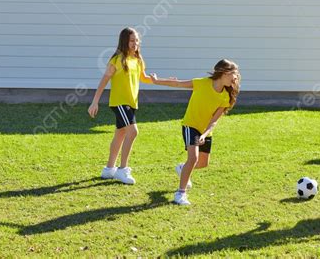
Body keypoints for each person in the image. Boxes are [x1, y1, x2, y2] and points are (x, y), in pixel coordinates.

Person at [151, 59, 240, 205]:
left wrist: (204, 135)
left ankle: (182, 168)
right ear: (224, 73)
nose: (236, 78)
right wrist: (156, 81)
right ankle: (180, 194)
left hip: (205, 131)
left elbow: (214, 121)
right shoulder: (201, 83)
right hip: (190, 125)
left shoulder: (226, 96)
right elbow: (178, 83)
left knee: (203, 163)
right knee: (193, 158)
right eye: (233, 74)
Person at [88, 27, 153, 184]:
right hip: (119, 103)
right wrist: (95, 101)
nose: (135, 43)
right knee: (133, 132)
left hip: (131, 103)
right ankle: (122, 169)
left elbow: (143, 78)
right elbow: (104, 79)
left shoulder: (138, 59)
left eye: (137, 40)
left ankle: (109, 169)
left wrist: (158, 80)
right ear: (124, 41)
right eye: (132, 40)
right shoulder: (117, 59)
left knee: (121, 134)